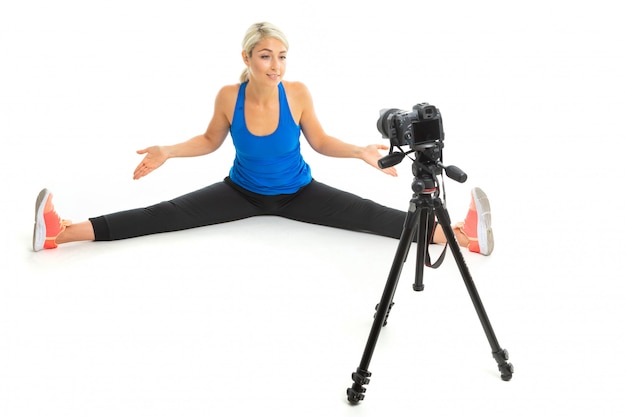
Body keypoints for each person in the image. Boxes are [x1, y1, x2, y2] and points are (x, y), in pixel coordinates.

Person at [32, 22, 494, 256]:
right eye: (267, 56)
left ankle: (463, 238)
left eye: (283, 57)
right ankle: (61, 232)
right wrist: (168, 151)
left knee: (378, 219)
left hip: (300, 192)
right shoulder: (228, 96)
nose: (277, 65)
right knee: (162, 215)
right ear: (248, 58)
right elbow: (211, 141)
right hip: (240, 192)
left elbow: (319, 141)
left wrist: (357, 152)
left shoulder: (297, 94)